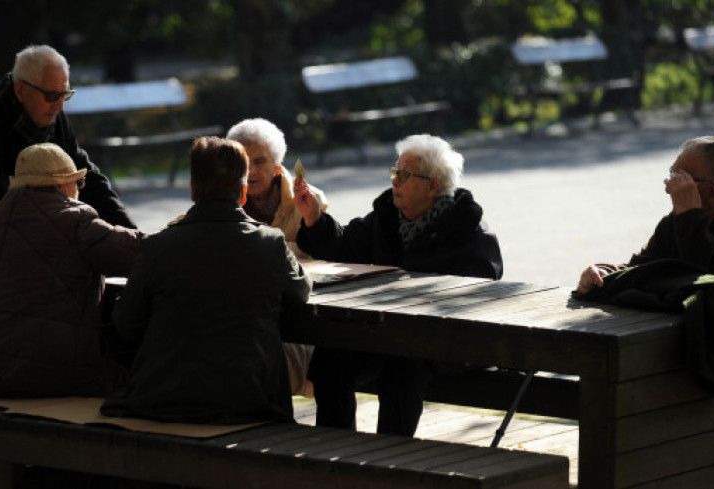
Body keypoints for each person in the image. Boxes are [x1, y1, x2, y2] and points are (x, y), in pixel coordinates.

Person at [0, 44, 135, 377]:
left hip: (20, 239)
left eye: (65, 95)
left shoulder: (54, 116)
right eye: (51, 96)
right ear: (21, 90)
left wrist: (128, 231)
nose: (59, 106)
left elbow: (87, 177)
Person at [292, 133, 503, 436]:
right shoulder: (388, 216)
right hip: (390, 335)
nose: (395, 181)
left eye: (405, 175)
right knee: (330, 359)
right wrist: (314, 218)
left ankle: (390, 460)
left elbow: (479, 295)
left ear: (433, 186)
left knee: (402, 365)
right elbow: (346, 245)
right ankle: (333, 452)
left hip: (446, 343)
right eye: (395, 172)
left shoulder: (468, 229)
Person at [101, 137, 311, 424]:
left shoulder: (159, 247)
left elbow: (126, 322)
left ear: (193, 189)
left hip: (165, 401)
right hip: (250, 401)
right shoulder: (270, 244)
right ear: (243, 192)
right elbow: (300, 294)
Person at [0, 143, 142, 397]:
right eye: (78, 183)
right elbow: (136, 253)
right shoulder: (72, 218)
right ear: (62, 185)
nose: (79, 191)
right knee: (137, 379)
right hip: (45, 372)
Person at [576, 135, 714, 293]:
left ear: (711, 193)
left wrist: (690, 217)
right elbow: (641, 268)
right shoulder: (676, 222)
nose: (669, 188)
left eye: (680, 179)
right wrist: (602, 274)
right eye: (671, 174)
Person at [226, 118, 327, 398]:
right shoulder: (221, 200)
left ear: (278, 165)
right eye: (242, 162)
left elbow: (323, 256)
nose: (250, 172)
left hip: (297, 315)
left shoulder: (308, 200)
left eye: (260, 162)